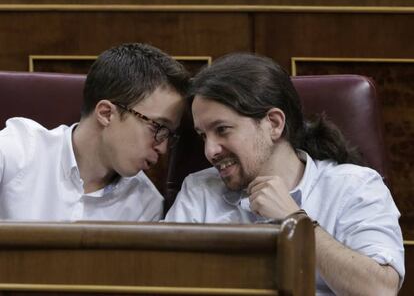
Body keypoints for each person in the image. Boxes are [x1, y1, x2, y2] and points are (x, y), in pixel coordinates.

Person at [165, 53, 404, 295]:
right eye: (203, 135)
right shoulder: (199, 190)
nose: (210, 151)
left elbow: (379, 290)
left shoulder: (355, 186)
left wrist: (296, 221)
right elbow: (161, 280)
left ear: (274, 123)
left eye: (222, 129)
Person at [0, 43, 189, 221]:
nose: (163, 148)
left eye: (169, 134)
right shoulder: (19, 149)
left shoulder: (146, 204)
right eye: (157, 127)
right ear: (106, 114)